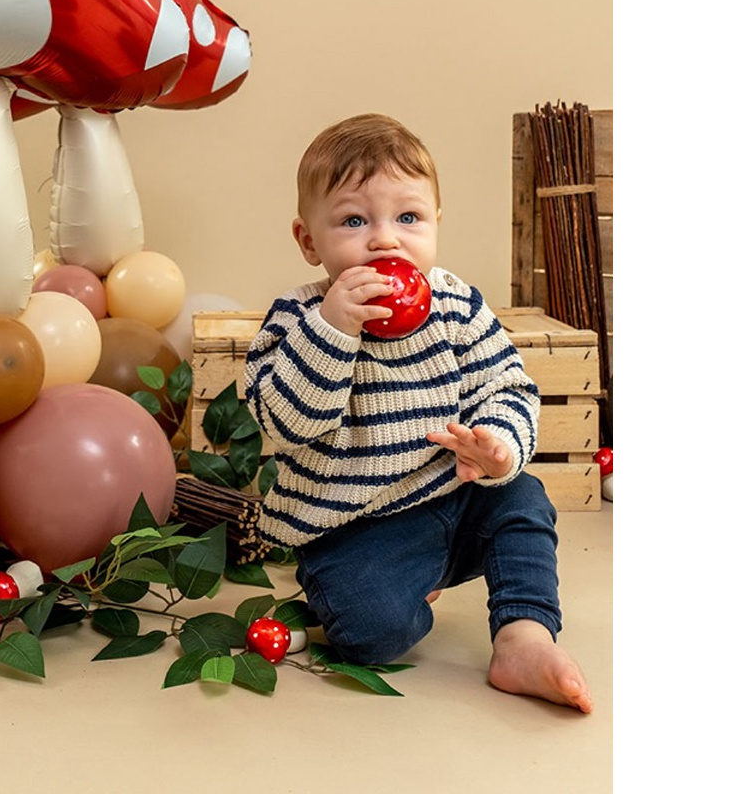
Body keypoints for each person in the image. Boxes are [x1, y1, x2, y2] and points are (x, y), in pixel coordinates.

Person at [243, 112, 593, 713]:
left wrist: (496, 443)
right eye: (354, 220)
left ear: (435, 223)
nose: (385, 240)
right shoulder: (298, 321)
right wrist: (334, 329)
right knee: (370, 633)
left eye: (408, 217)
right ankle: (397, 587)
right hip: (354, 527)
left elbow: (508, 385)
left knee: (523, 499)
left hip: (454, 497)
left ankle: (524, 637)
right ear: (309, 241)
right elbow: (285, 423)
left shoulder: (457, 305)